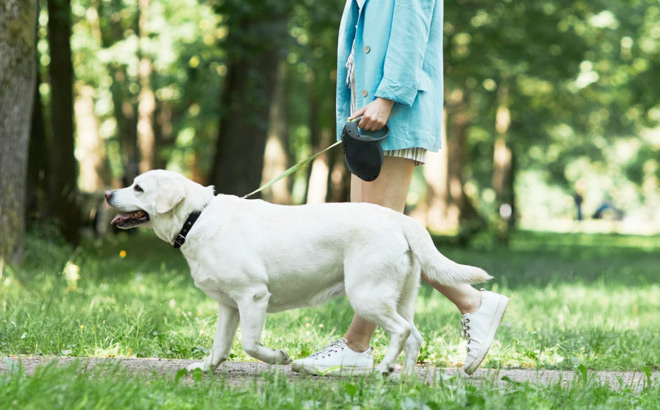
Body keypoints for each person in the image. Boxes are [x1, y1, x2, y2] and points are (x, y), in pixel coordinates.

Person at [290, 0, 509, 376]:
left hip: (390, 115)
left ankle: (358, 347)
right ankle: (469, 302)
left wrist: (388, 98)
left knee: (375, 239)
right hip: (368, 117)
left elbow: (411, 34)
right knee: (372, 240)